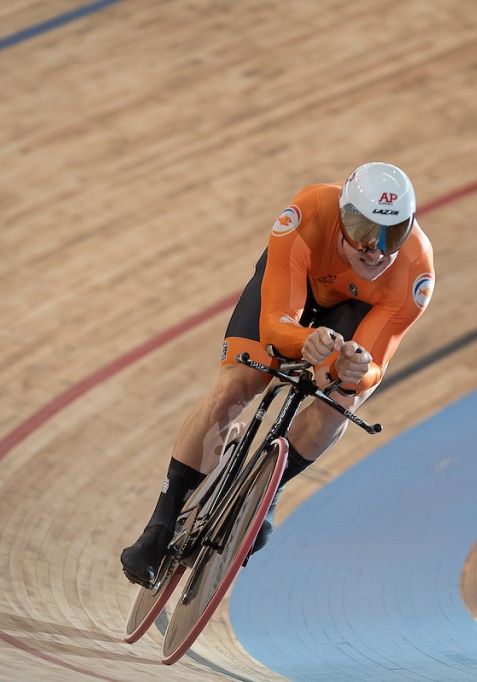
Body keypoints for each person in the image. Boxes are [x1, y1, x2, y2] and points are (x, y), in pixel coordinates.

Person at [121, 162, 435, 587]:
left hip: (353, 316)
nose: (376, 249)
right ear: (342, 215)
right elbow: (273, 324)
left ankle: (268, 489)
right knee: (238, 385)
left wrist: (352, 369)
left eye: (392, 233)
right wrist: (303, 340)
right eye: (363, 230)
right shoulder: (308, 213)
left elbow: (371, 366)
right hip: (292, 295)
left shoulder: (416, 271)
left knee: (337, 404)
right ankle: (159, 525)